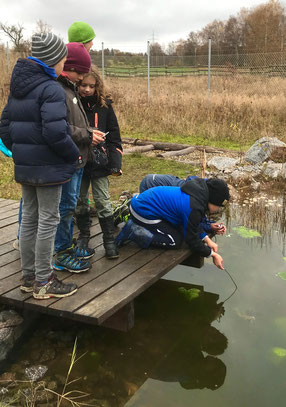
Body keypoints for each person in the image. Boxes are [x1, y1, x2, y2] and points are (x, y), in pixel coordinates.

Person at [0, 33, 80, 299]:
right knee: (48, 220)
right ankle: (44, 281)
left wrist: (19, 151)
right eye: (63, 60)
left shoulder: (19, 86)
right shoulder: (51, 88)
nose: (64, 64)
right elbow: (56, 133)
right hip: (49, 168)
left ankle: (28, 277)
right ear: (53, 60)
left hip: (26, 166)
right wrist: (73, 156)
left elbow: (5, 125)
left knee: (30, 219)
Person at [115, 177, 230, 270]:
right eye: (218, 206)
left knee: (178, 232)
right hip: (142, 210)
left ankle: (131, 210)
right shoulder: (193, 205)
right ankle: (133, 231)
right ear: (213, 199)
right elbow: (191, 239)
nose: (217, 209)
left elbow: (192, 224)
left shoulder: (197, 194)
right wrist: (212, 254)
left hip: (146, 204)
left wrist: (207, 240)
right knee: (174, 241)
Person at [53, 42, 95, 273]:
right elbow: (61, 127)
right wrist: (87, 134)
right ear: (67, 67)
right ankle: (61, 251)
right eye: (79, 72)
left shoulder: (70, 90)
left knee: (70, 204)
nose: (81, 78)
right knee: (65, 206)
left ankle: (66, 245)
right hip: (68, 159)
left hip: (77, 159)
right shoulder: (59, 90)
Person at [75, 67, 122, 259]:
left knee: (103, 201)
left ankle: (109, 240)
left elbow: (115, 136)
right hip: (78, 162)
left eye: (91, 86)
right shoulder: (72, 104)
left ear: (97, 87)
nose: (86, 89)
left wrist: (115, 163)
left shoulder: (105, 107)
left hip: (100, 164)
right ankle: (84, 235)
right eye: (83, 85)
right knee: (80, 201)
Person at [114, 174, 226, 236]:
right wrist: (206, 227)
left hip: (156, 185)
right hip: (150, 185)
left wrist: (209, 225)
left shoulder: (201, 187)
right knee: (159, 225)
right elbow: (189, 217)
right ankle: (129, 213)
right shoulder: (192, 194)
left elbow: (195, 217)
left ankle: (130, 207)